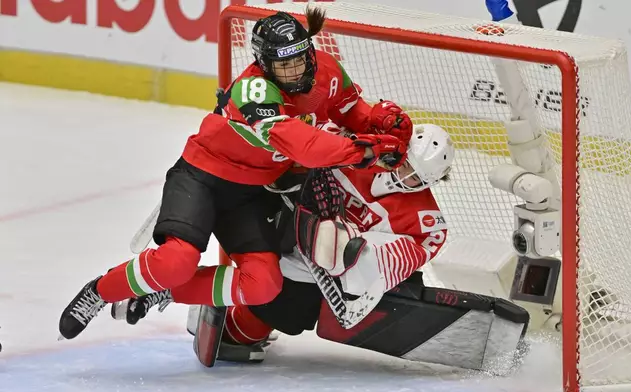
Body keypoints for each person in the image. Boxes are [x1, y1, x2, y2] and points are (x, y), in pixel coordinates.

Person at [58, 6, 412, 340]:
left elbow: (353, 111)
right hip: (202, 179)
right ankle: (100, 290)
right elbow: (304, 146)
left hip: (252, 193)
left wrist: (381, 120)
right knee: (176, 261)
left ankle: (166, 290)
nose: (296, 70)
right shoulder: (251, 90)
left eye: (301, 58)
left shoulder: (328, 72)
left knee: (264, 284)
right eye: (283, 65)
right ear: (263, 63)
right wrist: (364, 150)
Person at [115, 124, 456, 360]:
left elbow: (395, 262)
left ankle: (212, 310)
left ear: (434, 181)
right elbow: (297, 146)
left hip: (320, 272)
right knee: (256, 266)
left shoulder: (427, 223)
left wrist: (354, 250)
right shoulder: (358, 150)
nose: (402, 177)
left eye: (415, 177)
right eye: (403, 165)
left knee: (273, 316)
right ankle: (160, 279)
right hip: (278, 218)